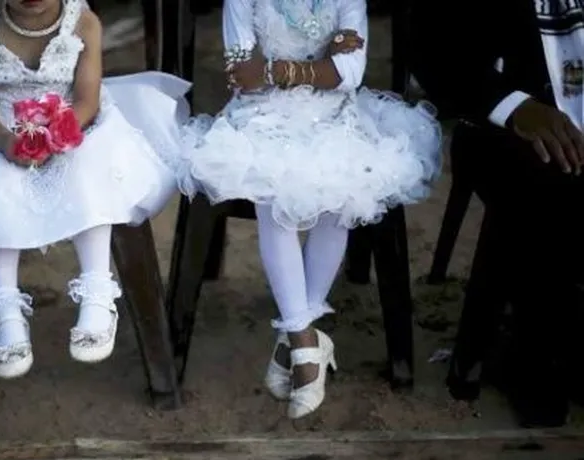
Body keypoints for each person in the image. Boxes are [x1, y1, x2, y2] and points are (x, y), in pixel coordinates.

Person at [0, 0, 190, 379]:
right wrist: (5, 141)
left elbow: (87, 101)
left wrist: (58, 135)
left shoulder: (83, 21)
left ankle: (97, 288)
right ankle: (5, 306)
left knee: (90, 171)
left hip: (72, 125)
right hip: (3, 130)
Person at [177, 0, 442, 419]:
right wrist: (317, 67)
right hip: (260, 115)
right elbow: (243, 76)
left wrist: (276, 70)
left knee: (343, 188)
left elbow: (349, 75)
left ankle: (299, 340)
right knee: (272, 190)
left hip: (334, 114)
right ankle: (304, 340)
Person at [411, 0, 584, 427]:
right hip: (502, 125)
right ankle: (536, 355)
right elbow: (434, 53)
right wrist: (514, 106)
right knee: (548, 180)